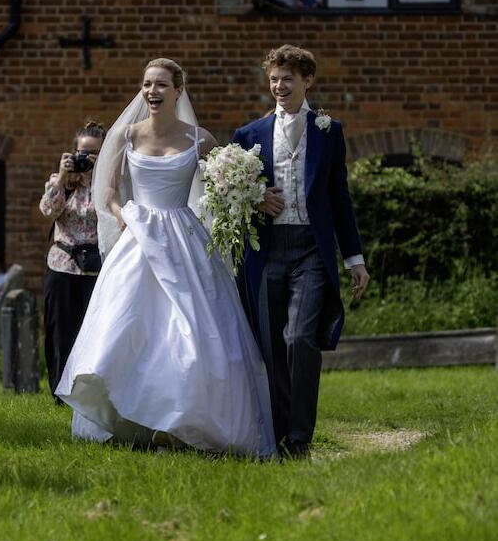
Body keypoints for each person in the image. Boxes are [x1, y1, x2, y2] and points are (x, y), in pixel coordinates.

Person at [54, 58, 276, 457]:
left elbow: (224, 184)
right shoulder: (126, 136)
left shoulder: (200, 139)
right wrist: (130, 219)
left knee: (189, 327)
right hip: (138, 235)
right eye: (146, 85)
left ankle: (183, 422)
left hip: (183, 233)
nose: (151, 92)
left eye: (160, 85)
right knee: (130, 326)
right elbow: (110, 196)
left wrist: (252, 193)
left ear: (178, 90)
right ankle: (133, 418)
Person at [233, 45, 370, 458]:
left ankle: (299, 439)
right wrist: (255, 198)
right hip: (268, 250)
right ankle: (275, 435)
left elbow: (339, 198)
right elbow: (228, 197)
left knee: (300, 338)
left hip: (312, 249)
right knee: (272, 345)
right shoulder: (249, 135)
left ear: (307, 80)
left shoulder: (329, 131)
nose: (279, 86)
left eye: (287, 78)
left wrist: (355, 259)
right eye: (274, 79)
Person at [39, 121, 106, 403]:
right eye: (82, 152)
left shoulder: (110, 184)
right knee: (60, 331)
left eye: (94, 153)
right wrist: (64, 177)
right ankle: (59, 392)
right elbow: (47, 211)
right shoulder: (61, 182)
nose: (87, 158)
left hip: (98, 266)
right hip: (63, 264)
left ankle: (87, 393)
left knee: (91, 332)